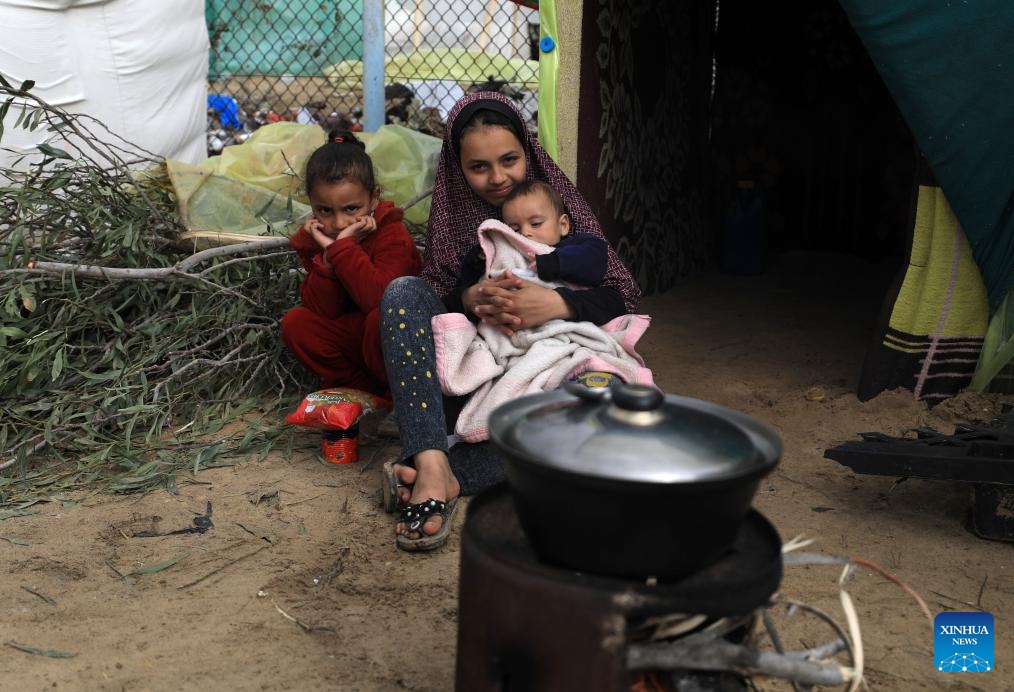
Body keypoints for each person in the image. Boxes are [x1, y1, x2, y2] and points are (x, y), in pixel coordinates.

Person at [379, 91, 641, 551]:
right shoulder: (454, 224)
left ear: (528, 152)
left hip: (546, 379)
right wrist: (469, 297)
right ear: (457, 169)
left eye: (509, 160)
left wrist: (561, 306)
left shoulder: (557, 216)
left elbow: (622, 298)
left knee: (603, 404)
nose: (498, 178)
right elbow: (439, 313)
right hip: (473, 382)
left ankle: (444, 470)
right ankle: (433, 459)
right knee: (403, 293)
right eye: (479, 166)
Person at [430, 180, 653, 443]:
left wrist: (553, 262)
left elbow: (595, 263)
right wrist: (480, 259)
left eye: (536, 224)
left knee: (600, 393)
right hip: (509, 347)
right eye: (514, 228)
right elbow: (471, 285)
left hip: (566, 342)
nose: (526, 234)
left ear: (563, 225)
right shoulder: (508, 253)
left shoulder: (576, 247)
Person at [281, 129, 422, 399]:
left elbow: (379, 299)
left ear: (374, 198)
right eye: (324, 210)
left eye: (351, 209)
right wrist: (327, 260)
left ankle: (400, 395)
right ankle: (361, 392)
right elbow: (323, 311)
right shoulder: (317, 240)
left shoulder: (392, 235)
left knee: (378, 318)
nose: (338, 223)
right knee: (296, 323)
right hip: (356, 338)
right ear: (311, 204)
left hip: (399, 343)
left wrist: (342, 248)